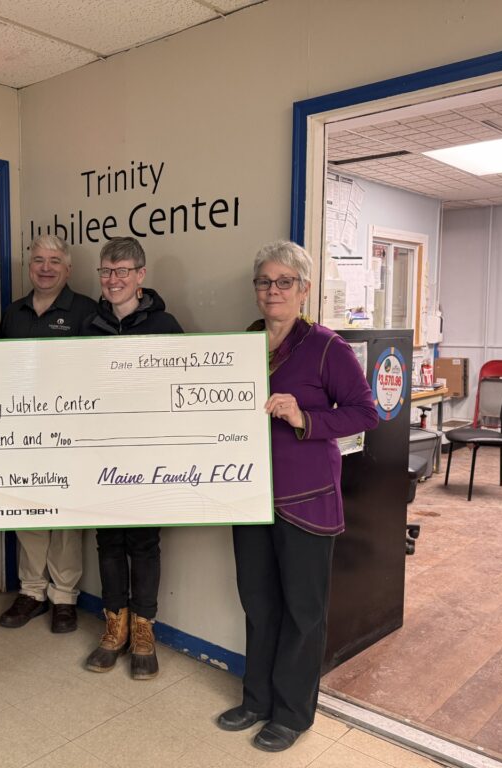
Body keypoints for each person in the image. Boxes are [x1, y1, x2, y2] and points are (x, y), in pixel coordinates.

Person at [217, 241, 378, 752]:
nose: (273, 290)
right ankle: (256, 699)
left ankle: (292, 713)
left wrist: (304, 418)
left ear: (304, 289)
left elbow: (365, 413)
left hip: (305, 500)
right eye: (264, 281)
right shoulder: (243, 342)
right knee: (259, 604)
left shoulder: (327, 347)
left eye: (284, 281)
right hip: (250, 496)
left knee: (303, 611)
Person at [82, 236, 183, 679]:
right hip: (100, 451)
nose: (113, 279)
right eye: (106, 270)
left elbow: (183, 388)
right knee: (108, 542)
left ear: (141, 276)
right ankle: (114, 628)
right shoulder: (89, 324)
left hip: (149, 455)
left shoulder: (166, 325)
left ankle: (144, 631)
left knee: (143, 542)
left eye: (123, 270)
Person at [0, 234, 97, 633]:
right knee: (29, 509)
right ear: (29, 265)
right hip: (22, 432)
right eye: (38, 259)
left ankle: (65, 597)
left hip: (70, 432)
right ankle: (32, 591)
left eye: (55, 260)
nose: (46, 267)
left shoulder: (87, 310)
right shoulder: (13, 312)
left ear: (68, 268)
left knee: (68, 515)